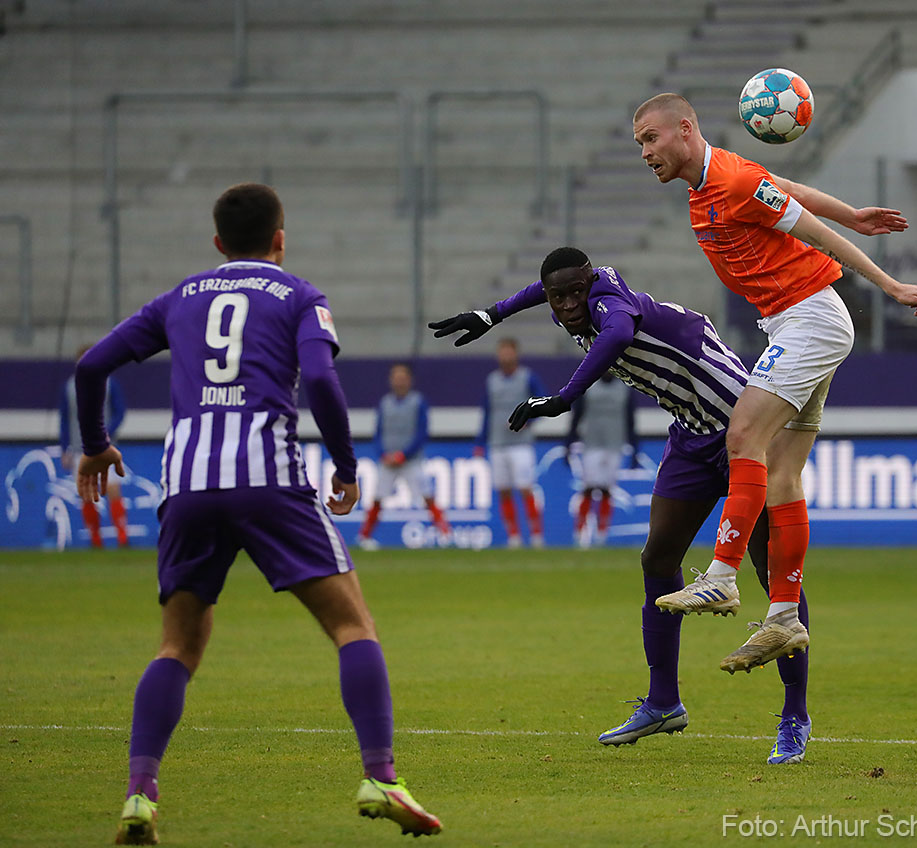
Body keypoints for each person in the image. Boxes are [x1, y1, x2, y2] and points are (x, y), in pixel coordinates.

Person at [75, 183, 441, 844]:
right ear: (280, 238)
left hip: (188, 482)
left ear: (218, 242)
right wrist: (346, 465)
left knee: (177, 646)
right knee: (352, 626)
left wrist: (97, 444)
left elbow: (92, 365)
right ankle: (382, 777)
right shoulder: (299, 296)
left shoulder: (179, 298)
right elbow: (321, 379)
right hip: (267, 477)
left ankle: (139, 794)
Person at [430, 247, 813, 764]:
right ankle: (663, 702)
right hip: (692, 432)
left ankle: (794, 716)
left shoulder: (611, 304)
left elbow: (615, 336)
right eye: (558, 297)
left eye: (576, 292)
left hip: (742, 427)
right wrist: (491, 313)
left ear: (590, 283)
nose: (568, 304)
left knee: (773, 572)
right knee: (658, 558)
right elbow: (542, 288)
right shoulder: (570, 297)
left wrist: (565, 397)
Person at [631, 93, 917, 673]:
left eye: (651, 138)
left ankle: (721, 576)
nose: (644, 152)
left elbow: (815, 234)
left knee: (743, 435)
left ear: (685, 129)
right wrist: (854, 212)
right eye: (640, 143)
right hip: (791, 322)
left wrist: (890, 286)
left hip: (811, 318)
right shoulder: (714, 183)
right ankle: (784, 616)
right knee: (781, 473)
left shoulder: (733, 181)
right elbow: (787, 188)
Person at [356, 362, 452, 549]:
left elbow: (422, 432)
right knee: (378, 497)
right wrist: (383, 454)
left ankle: (444, 534)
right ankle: (364, 536)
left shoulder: (418, 401)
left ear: (410, 380)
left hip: (411, 460)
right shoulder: (385, 403)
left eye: (403, 378)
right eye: (396, 378)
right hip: (388, 461)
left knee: (427, 495)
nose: (399, 382)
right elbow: (378, 431)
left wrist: (404, 454)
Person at [476, 338, 546, 548]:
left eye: (509, 352)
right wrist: (480, 441)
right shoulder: (492, 380)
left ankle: (536, 535)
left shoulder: (527, 377)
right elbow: (487, 411)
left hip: (521, 443)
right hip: (497, 443)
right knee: (504, 490)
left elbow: (543, 403)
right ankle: (513, 537)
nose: (505, 357)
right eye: (502, 352)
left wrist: (528, 421)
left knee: (525, 488)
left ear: (516, 354)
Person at [60, 344, 129, 548]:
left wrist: (107, 431)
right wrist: (64, 448)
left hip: (106, 448)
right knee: (87, 494)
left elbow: (120, 412)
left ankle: (122, 538)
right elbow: (65, 419)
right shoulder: (69, 387)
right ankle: (95, 540)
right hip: (80, 448)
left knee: (113, 489)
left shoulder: (109, 383)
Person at [565, 372, 637, 547]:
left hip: (614, 444)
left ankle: (602, 534)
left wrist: (635, 448)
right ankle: (580, 533)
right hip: (592, 444)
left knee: (606, 489)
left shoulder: (624, 389)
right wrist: (568, 442)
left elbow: (630, 420)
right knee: (588, 487)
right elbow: (577, 415)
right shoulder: (588, 386)